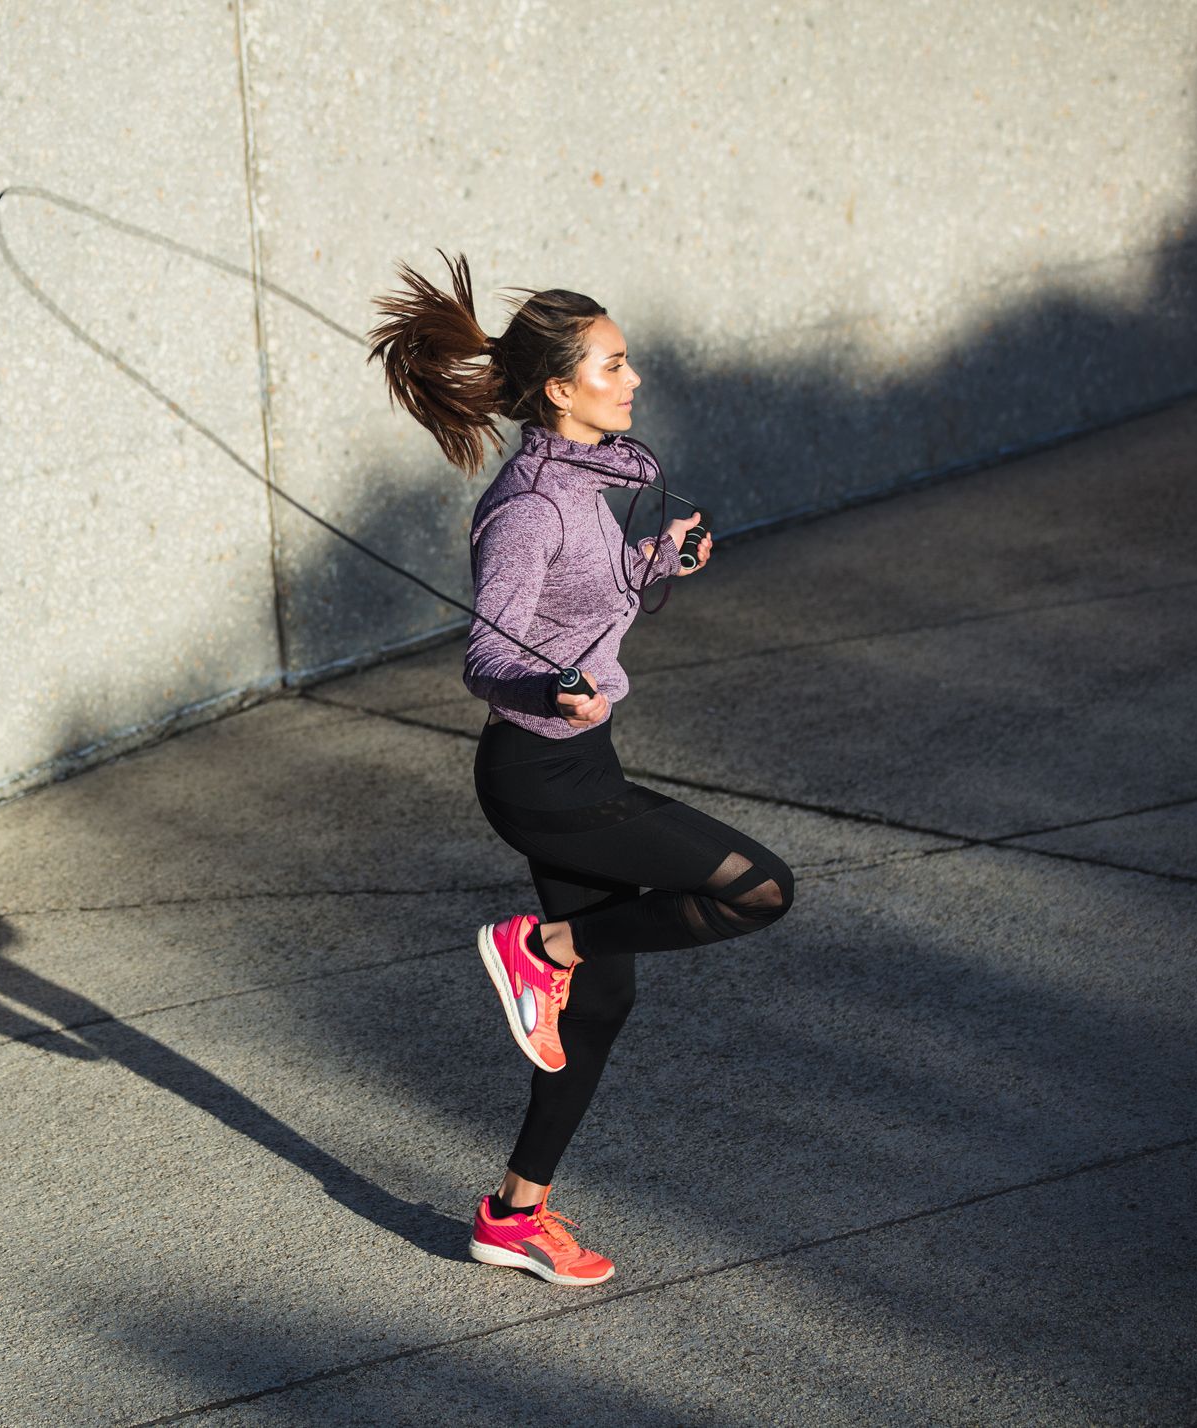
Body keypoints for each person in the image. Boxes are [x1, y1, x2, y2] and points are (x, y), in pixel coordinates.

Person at [367, 253, 797, 1287]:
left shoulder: (584, 483)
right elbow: (488, 652)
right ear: (560, 389)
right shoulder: (529, 507)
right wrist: (548, 687)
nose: (632, 377)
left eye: (625, 359)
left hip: (571, 763)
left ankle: (513, 1214)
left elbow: (578, 597)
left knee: (599, 1010)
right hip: (545, 779)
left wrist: (654, 564)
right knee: (758, 887)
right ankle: (539, 944)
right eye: (612, 364)